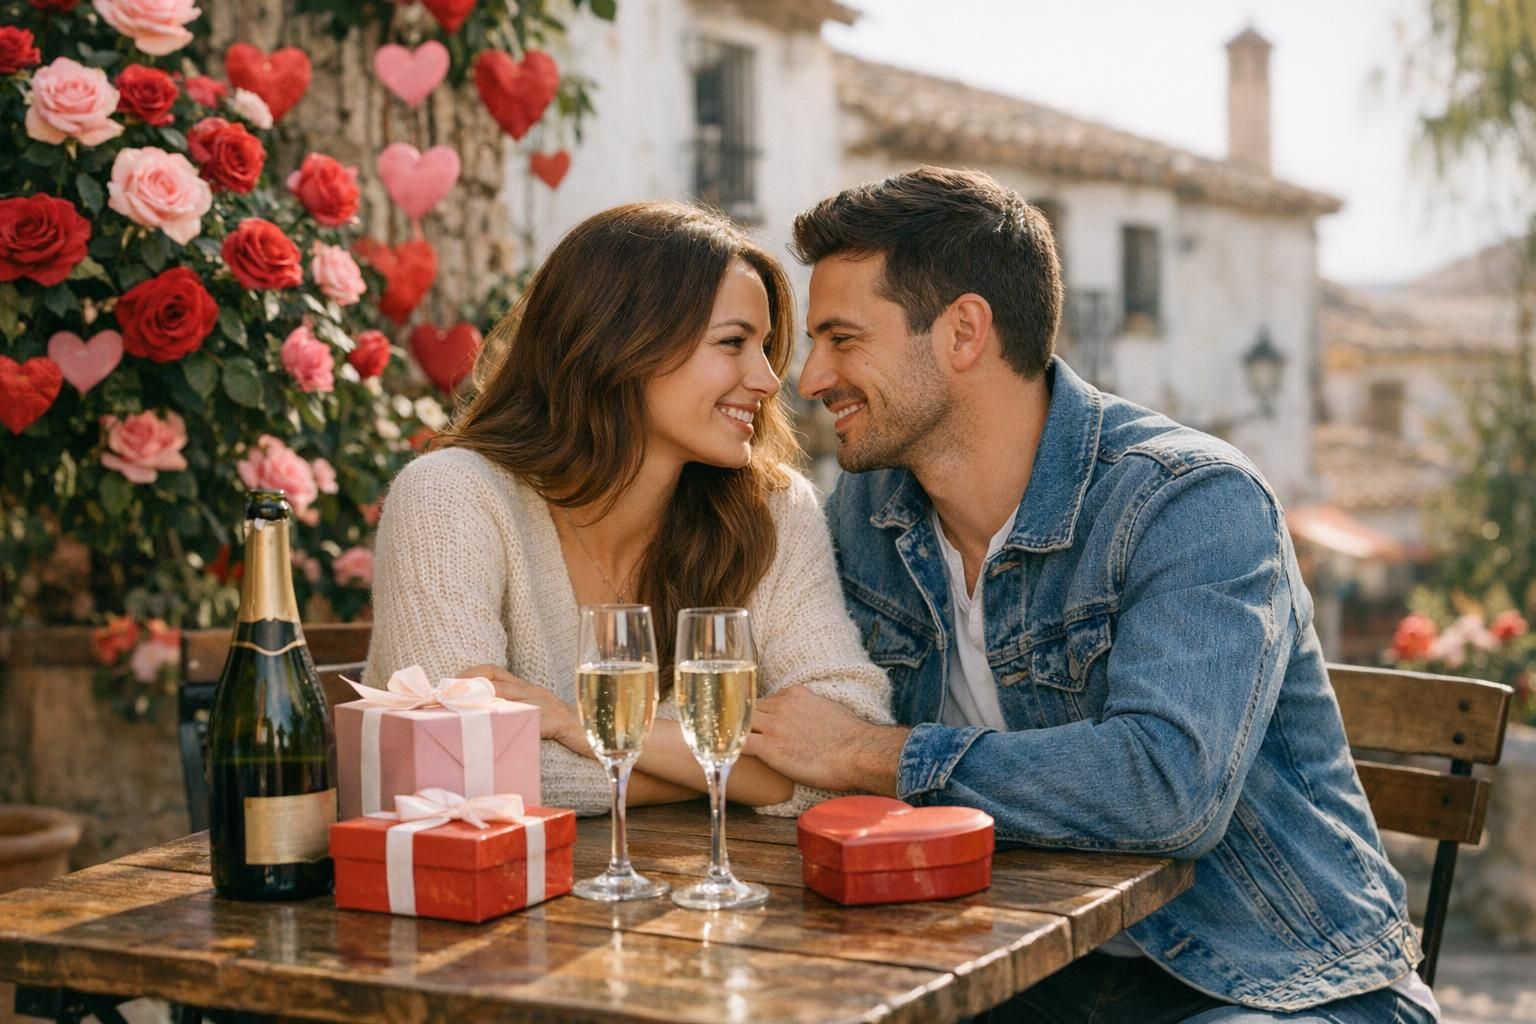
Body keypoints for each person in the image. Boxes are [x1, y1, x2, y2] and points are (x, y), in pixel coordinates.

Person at [743, 166, 1437, 1023]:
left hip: (1273, 982)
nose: (809, 377)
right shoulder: (870, 511)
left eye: (842, 339)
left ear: (964, 331)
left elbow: (1165, 787)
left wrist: (869, 753)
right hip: (1019, 967)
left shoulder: (1187, 500)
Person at [364, 201, 890, 816]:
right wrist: (738, 770)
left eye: (765, 347)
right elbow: (463, 770)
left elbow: (847, 749)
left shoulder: (772, 510)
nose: (771, 381)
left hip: (703, 900)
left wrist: (573, 728)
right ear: (622, 344)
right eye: (732, 343)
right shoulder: (451, 498)